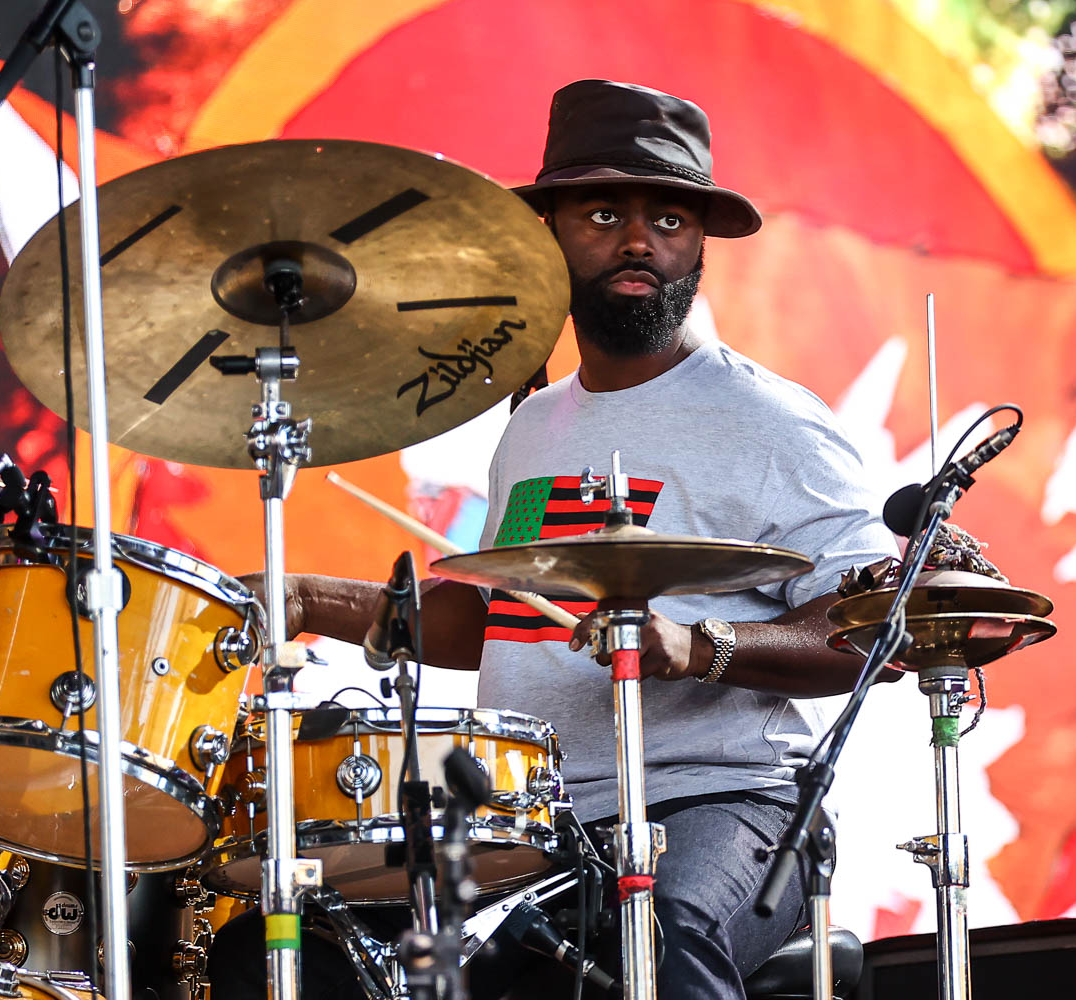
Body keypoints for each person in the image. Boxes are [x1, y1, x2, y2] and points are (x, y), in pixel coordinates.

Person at [209, 79, 898, 1000]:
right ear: (549, 234)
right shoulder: (534, 427)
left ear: (699, 243)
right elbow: (489, 622)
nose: (640, 241)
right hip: (534, 820)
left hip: (719, 802)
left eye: (670, 218)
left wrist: (703, 646)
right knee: (304, 951)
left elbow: (879, 624)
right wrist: (304, 599)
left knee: (659, 938)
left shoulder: (773, 423)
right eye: (605, 213)